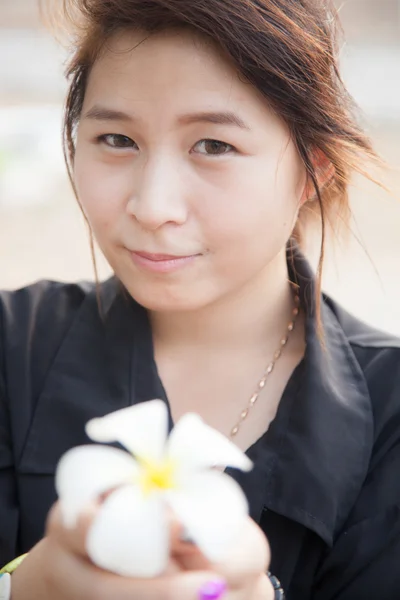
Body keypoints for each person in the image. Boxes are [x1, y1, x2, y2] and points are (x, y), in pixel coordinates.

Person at [1, 0, 400, 598]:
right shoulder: (11, 347)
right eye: (116, 138)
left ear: (311, 167)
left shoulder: (390, 411)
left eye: (213, 145)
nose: (153, 206)